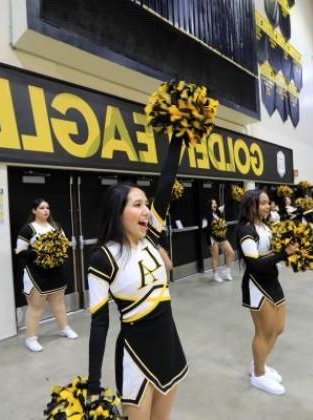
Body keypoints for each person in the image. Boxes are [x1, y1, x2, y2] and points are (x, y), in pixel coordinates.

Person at [87, 137, 187, 419]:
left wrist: (178, 136)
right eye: (137, 205)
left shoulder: (149, 237)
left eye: (147, 204)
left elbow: (166, 183)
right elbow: (99, 321)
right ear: (118, 212)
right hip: (136, 354)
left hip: (169, 343)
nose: (146, 210)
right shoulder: (102, 259)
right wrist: (93, 384)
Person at [236, 190, 298, 395]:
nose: (268, 206)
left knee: (278, 329)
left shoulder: (266, 225)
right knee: (263, 332)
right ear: (251, 205)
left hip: (272, 280)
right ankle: (259, 375)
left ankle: (258, 364)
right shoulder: (246, 230)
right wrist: (282, 254)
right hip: (257, 284)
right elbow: (254, 264)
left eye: (268, 203)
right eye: (263, 203)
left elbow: (273, 252)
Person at [15, 199, 78, 352]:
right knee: (36, 307)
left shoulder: (56, 226)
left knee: (59, 303)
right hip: (37, 273)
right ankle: (31, 338)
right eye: (42, 208)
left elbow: (64, 245)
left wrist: (56, 251)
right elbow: (19, 251)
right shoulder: (28, 229)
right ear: (34, 211)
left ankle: (64, 328)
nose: (46, 210)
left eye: (47, 208)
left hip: (56, 271)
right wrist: (38, 252)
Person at [203, 199, 235, 282]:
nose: (215, 204)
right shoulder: (206, 215)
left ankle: (227, 272)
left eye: (215, 203)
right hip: (212, 238)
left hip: (221, 237)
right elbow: (204, 228)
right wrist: (214, 228)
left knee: (230, 252)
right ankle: (215, 274)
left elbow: (227, 205)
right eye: (213, 203)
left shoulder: (218, 212)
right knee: (215, 256)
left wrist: (234, 197)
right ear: (209, 205)